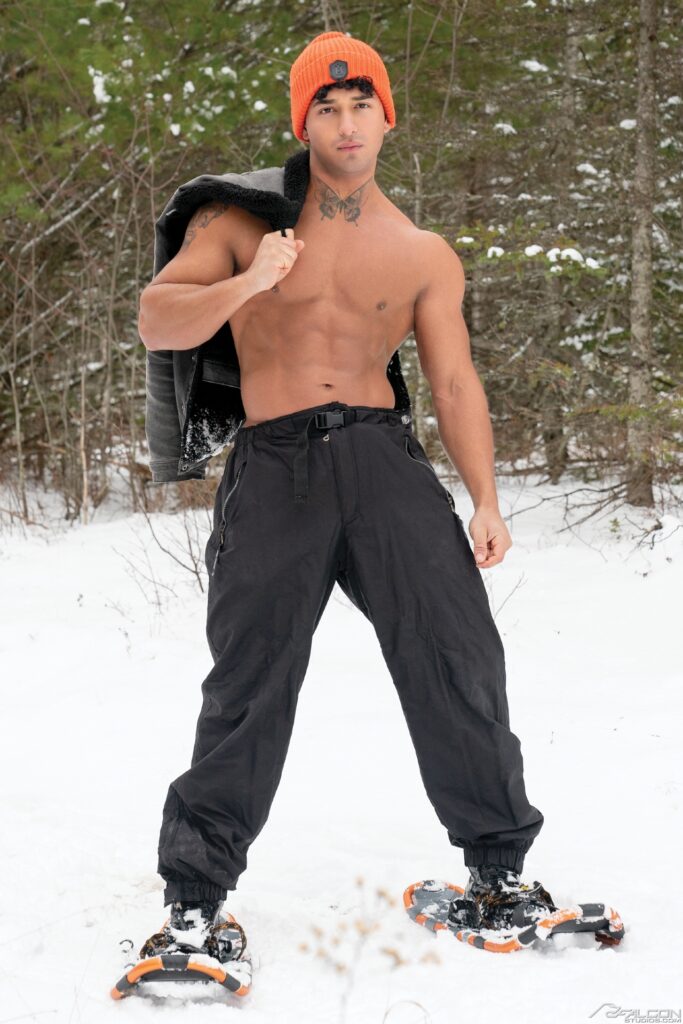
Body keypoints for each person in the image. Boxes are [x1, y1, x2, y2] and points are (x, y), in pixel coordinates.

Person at [138, 31, 550, 958]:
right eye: (326, 108)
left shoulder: (421, 251)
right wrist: (251, 280)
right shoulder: (239, 221)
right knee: (250, 680)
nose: (346, 122)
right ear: (304, 124)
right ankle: (195, 900)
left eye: (362, 104)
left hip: (382, 461)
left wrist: (485, 499)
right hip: (276, 466)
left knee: (456, 656)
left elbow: (454, 383)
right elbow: (157, 317)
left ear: (386, 117)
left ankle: (498, 871)